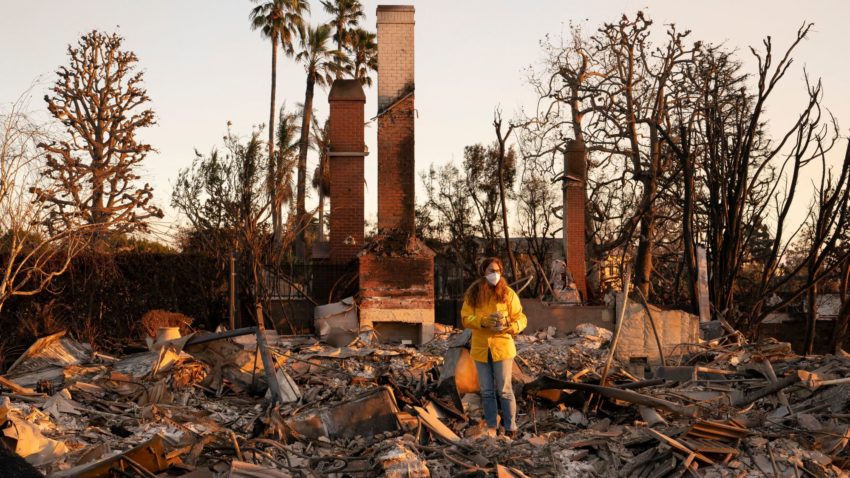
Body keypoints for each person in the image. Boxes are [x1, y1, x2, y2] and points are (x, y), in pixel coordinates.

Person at [461, 257, 527, 437]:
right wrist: (482, 321)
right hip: (481, 348)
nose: (494, 274)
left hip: (502, 347)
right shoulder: (473, 294)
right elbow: (466, 318)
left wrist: (511, 327)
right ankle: (492, 425)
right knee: (487, 391)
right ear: (483, 272)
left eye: (497, 271)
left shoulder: (508, 294)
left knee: (504, 389)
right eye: (490, 271)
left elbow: (521, 318)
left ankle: (511, 426)